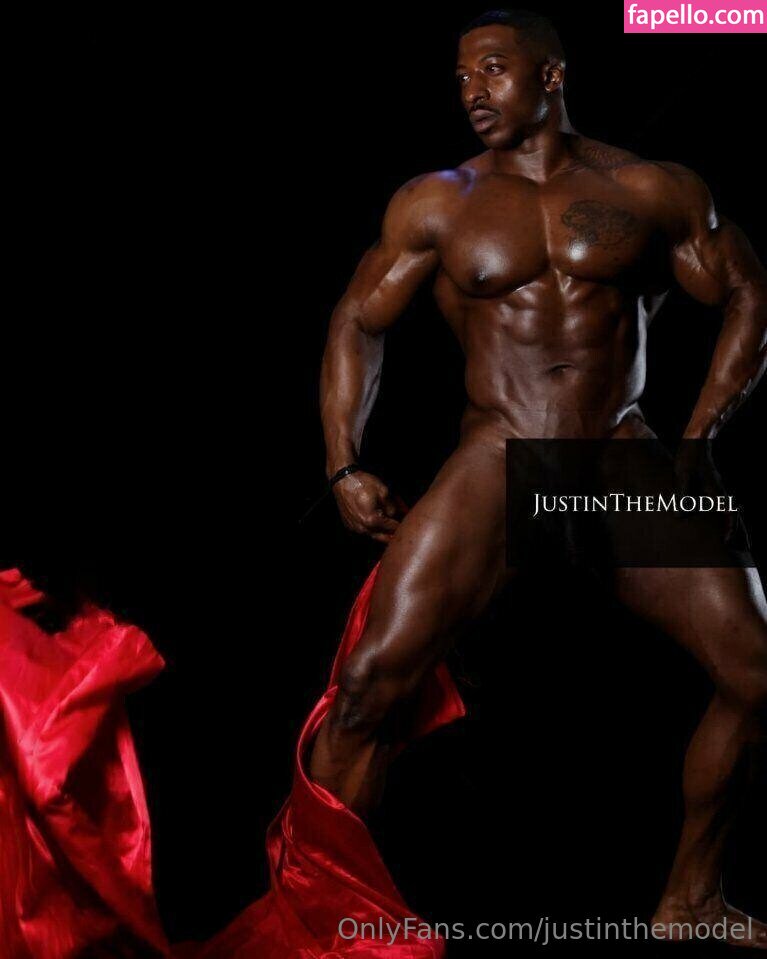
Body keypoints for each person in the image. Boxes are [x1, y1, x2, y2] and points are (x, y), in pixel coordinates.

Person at [310, 8, 767, 947]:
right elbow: (356, 318)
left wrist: (695, 442)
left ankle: (688, 901)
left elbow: (744, 292)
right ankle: (321, 918)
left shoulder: (647, 187)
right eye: (460, 77)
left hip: (615, 454)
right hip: (499, 452)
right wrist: (343, 460)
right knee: (366, 686)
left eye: (491, 69)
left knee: (758, 673)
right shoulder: (437, 201)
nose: (471, 92)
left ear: (550, 75)